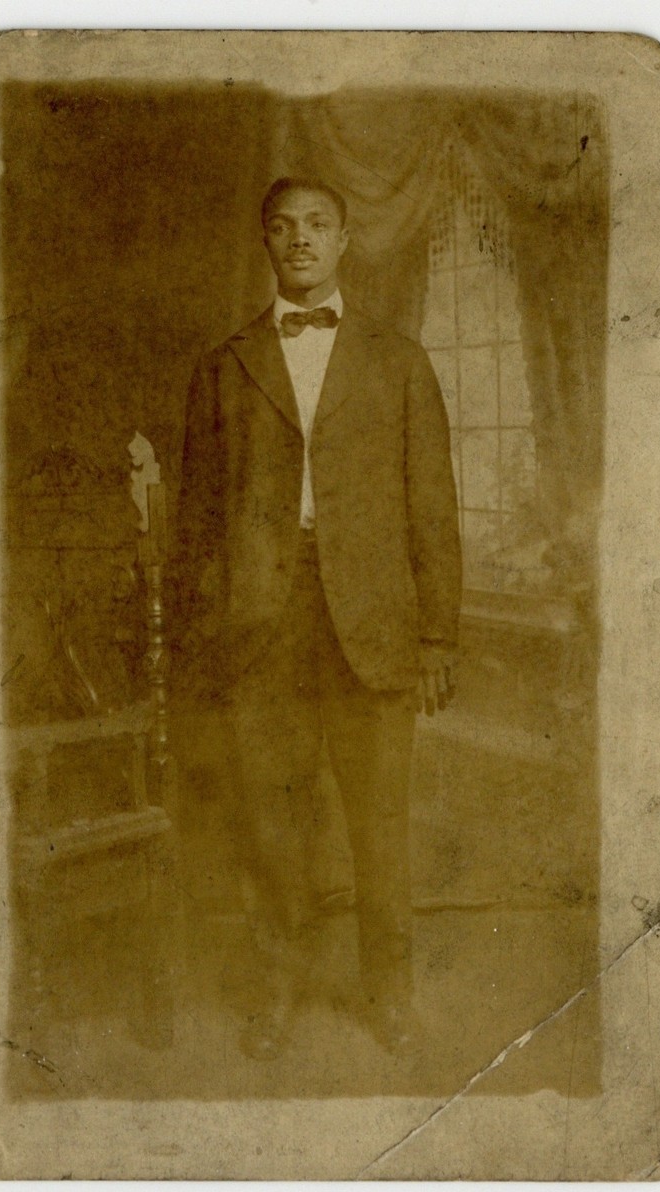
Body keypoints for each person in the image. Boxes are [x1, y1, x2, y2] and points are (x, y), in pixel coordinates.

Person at [174, 176, 461, 1061]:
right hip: (260, 624)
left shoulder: (401, 359)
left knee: (379, 826)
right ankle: (273, 993)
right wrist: (202, 639)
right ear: (266, 241)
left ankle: (391, 996)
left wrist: (439, 635)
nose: (301, 240)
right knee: (270, 821)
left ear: (343, 240)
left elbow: (431, 509)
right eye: (284, 226)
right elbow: (197, 521)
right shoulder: (225, 366)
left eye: (318, 225)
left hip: (372, 624)